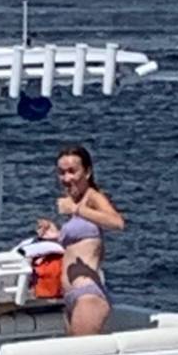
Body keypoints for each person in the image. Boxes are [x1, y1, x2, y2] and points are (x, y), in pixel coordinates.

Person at [34, 144, 125, 337]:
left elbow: (117, 223)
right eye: (61, 173)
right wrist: (56, 235)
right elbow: (81, 244)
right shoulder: (76, 201)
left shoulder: (92, 197)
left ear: (88, 172)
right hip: (71, 296)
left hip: (87, 295)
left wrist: (76, 210)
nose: (66, 178)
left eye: (72, 171)